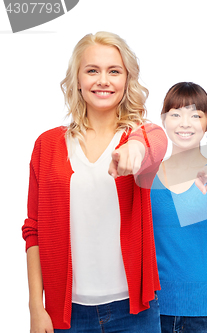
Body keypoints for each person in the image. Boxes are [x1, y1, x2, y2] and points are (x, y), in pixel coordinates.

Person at [22, 31, 167, 332]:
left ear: (127, 80)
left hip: (134, 312)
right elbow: (33, 229)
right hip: (67, 313)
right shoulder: (47, 145)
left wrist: (136, 148)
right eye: (92, 70)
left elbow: (157, 140)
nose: (103, 80)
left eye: (114, 71)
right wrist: (36, 307)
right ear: (76, 80)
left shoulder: (138, 137)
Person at [150, 82, 207, 333]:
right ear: (164, 120)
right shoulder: (148, 176)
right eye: (176, 114)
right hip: (155, 311)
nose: (185, 123)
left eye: (195, 115)